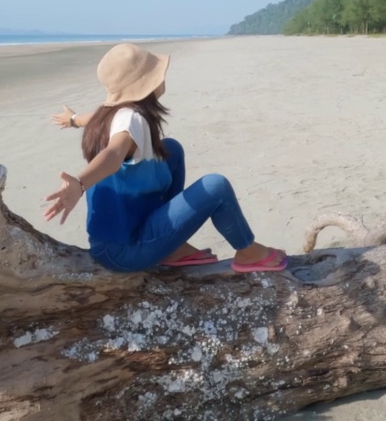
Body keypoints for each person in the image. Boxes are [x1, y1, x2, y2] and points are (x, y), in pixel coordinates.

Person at [43, 43, 287, 273]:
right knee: (215, 186)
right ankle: (247, 251)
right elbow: (114, 153)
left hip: (112, 241)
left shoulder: (109, 113)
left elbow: (90, 119)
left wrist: (73, 119)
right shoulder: (133, 119)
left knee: (171, 149)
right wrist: (80, 183)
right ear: (145, 86)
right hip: (127, 251)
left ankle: (173, 246)